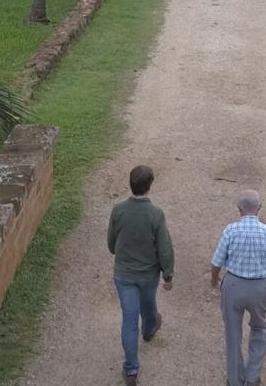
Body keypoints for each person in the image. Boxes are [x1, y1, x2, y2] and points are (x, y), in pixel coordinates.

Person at [108, 165, 175, 385]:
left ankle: (131, 369)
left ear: (130, 184)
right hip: (148, 274)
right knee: (148, 301)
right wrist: (168, 275)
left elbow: (111, 244)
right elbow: (164, 247)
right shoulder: (156, 214)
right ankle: (149, 328)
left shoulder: (118, 210)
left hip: (124, 275)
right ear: (149, 186)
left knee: (129, 319)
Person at [211, 190, 266, 386]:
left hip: (233, 285)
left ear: (239, 209)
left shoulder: (230, 231)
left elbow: (217, 262)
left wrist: (214, 279)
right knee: (259, 328)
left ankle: (235, 380)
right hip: (259, 288)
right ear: (259, 208)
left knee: (232, 333)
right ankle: (252, 377)